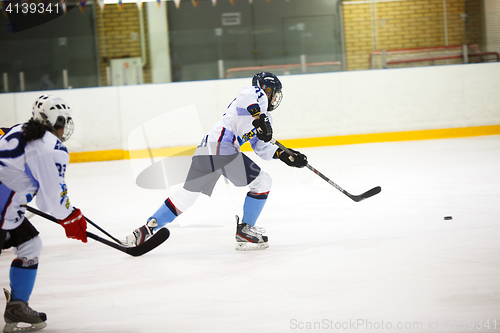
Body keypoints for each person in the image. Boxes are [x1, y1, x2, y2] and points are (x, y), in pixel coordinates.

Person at [126, 72, 308, 251]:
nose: (273, 96)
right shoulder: (255, 96)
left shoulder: (265, 117)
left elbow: (261, 147)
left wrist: (285, 155)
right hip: (222, 148)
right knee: (263, 181)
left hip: (207, 150)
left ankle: (147, 228)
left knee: (188, 195)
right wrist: (258, 118)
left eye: (275, 93)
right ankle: (245, 229)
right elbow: (246, 96)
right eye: (271, 91)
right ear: (262, 88)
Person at [0, 94, 87, 332]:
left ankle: (17, 306)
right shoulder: (52, 147)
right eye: (61, 122)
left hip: (5, 208)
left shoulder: (18, 129)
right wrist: (72, 218)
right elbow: (52, 202)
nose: (62, 129)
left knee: (30, 243)